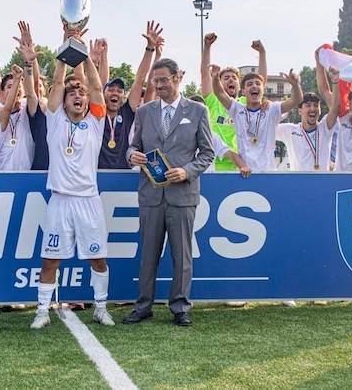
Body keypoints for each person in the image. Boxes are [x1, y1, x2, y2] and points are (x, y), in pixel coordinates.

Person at [28, 34, 114, 329]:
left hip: (89, 200)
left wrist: (87, 57)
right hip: (60, 200)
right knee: (50, 261)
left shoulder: (96, 121)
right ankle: (42, 312)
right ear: (63, 102)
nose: (79, 98)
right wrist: (66, 54)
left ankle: (101, 308)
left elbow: (96, 87)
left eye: (82, 96)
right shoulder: (55, 119)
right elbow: (55, 83)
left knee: (98, 260)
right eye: (72, 96)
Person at [123, 58, 214, 327]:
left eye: (164, 80)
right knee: (148, 254)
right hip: (150, 195)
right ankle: (143, 306)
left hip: (182, 195)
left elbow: (207, 153)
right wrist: (133, 156)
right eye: (155, 81)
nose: (159, 85)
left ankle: (180, 307)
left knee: (182, 254)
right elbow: (131, 147)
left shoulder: (197, 111)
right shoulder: (144, 111)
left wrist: (187, 171)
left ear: (177, 78)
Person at [212, 67, 303, 172]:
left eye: (258, 84)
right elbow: (220, 93)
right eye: (249, 84)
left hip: (268, 172)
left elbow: (296, 100)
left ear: (263, 90)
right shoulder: (237, 110)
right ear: (243, 91)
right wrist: (215, 77)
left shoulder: (272, 109)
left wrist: (295, 85)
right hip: (245, 172)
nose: (254, 86)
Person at [99, 21, 163, 169]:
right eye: (111, 89)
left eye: (119, 90)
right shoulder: (96, 113)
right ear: (104, 93)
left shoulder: (128, 111)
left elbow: (140, 77)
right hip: (97, 174)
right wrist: (104, 56)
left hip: (125, 173)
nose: (115, 92)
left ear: (123, 96)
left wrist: (150, 48)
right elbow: (99, 83)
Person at [200, 34, 267, 171]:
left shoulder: (244, 103)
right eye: (226, 78)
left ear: (240, 86)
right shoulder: (213, 99)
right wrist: (207, 47)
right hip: (214, 163)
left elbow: (261, 80)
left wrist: (262, 53)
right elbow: (204, 74)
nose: (231, 80)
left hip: (240, 165)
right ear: (218, 81)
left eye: (234, 78)